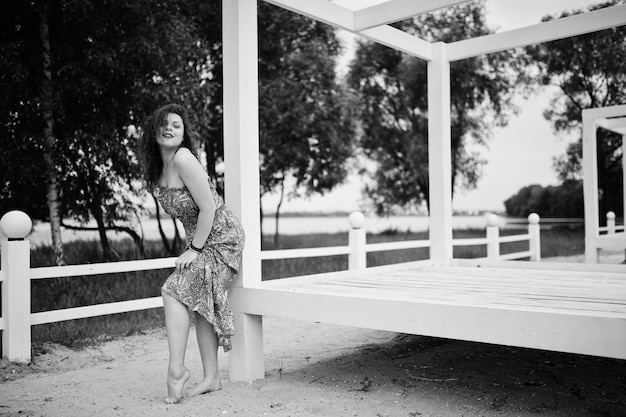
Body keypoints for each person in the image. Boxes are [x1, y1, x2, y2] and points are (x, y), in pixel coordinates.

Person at [139, 103, 245, 404]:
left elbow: (209, 207)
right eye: (164, 123)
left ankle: (176, 370)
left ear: (184, 135)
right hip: (200, 239)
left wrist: (195, 249)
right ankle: (212, 378)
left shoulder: (184, 158)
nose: (170, 128)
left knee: (172, 291)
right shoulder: (156, 169)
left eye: (177, 124)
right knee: (199, 305)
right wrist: (194, 246)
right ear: (153, 130)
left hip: (222, 237)